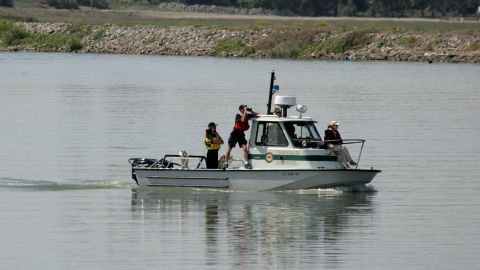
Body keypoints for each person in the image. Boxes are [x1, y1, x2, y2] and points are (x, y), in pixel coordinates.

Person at [224, 104, 258, 169]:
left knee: (245, 148)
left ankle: (246, 163)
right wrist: (245, 112)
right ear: (240, 109)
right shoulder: (238, 116)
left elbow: (257, 115)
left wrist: (251, 111)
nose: (245, 109)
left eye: (245, 108)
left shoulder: (247, 115)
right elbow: (242, 120)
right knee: (230, 148)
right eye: (243, 108)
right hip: (235, 133)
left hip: (241, 134)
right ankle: (225, 163)